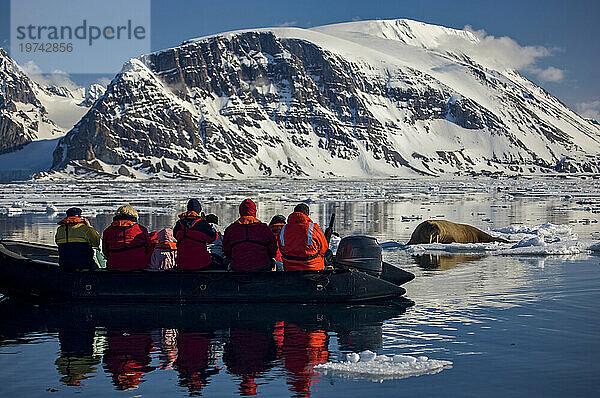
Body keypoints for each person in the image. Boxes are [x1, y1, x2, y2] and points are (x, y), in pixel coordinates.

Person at [222, 199, 277, 272]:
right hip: (262, 267)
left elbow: (226, 250)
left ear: (240, 211)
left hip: (238, 268)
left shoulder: (231, 229)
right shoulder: (264, 228)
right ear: (254, 211)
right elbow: (273, 250)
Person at [279, 204, 328, 271]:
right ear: (307, 215)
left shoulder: (283, 229)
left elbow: (281, 249)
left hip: (290, 267)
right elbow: (324, 248)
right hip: (312, 267)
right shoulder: (313, 228)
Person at [102, 205, 151, 271]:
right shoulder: (141, 229)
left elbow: (105, 251)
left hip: (114, 266)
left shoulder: (108, 231)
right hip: (139, 265)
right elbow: (148, 249)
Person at [173, 199, 219, 270]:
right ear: (199, 211)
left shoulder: (179, 224)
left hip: (182, 264)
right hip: (201, 263)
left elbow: (175, 236)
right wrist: (209, 224)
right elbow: (212, 238)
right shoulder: (202, 224)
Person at [55, 207, 100, 271]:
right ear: (80, 217)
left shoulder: (60, 229)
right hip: (84, 264)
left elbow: (57, 242)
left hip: (65, 264)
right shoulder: (85, 229)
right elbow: (96, 243)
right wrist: (89, 227)